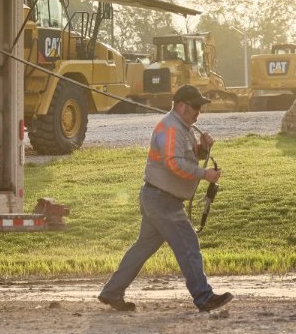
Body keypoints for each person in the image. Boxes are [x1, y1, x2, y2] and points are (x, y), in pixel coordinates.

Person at [98, 85, 232, 313]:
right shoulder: (171, 129)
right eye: (196, 107)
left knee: (142, 248)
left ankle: (112, 292)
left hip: (157, 197)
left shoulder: (182, 128)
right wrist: (205, 174)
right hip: (163, 199)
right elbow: (174, 163)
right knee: (188, 245)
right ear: (181, 106)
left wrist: (203, 148)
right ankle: (204, 297)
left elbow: (184, 157)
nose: (199, 112)